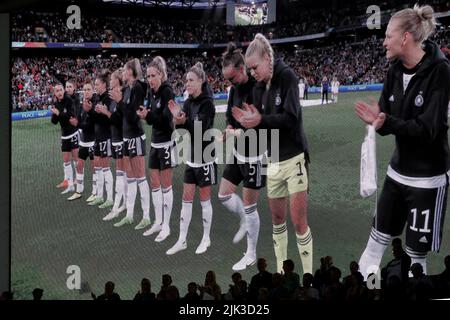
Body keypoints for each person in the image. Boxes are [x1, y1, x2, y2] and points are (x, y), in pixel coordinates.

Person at [355, 4, 450, 279]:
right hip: (396, 174)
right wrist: (377, 121)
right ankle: (363, 290)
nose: (383, 41)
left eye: (388, 35)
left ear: (405, 38)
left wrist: (387, 122)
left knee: (414, 256)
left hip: (427, 180)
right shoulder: (394, 69)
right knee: (375, 242)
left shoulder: (441, 70)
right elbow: (386, 118)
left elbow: (429, 128)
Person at [232, 33, 313, 276]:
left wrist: (260, 120)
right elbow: (262, 124)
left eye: (254, 67)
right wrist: (250, 124)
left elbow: (291, 118)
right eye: (249, 69)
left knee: (299, 223)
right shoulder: (257, 88)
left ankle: (308, 276)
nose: (252, 73)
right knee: (278, 221)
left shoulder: (287, 76)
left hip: (295, 157)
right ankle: (281, 274)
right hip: (273, 161)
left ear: (267, 58)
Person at [218, 42, 265, 271]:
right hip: (238, 151)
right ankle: (244, 221)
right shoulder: (234, 90)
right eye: (227, 79)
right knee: (224, 195)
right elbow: (229, 114)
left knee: (250, 207)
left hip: (256, 154)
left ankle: (251, 254)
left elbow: (259, 124)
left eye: (232, 78)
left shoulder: (258, 87)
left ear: (242, 68)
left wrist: (236, 131)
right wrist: (228, 128)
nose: (230, 83)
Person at [166, 62, 216, 255]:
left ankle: (206, 238)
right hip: (191, 157)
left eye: (191, 80)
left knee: (204, 201)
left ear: (201, 82)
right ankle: (182, 240)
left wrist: (184, 121)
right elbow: (184, 131)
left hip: (205, 157)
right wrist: (177, 119)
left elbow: (202, 130)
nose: (187, 83)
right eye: (186, 80)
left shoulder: (208, 104)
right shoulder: (187, 102)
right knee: (186, 199)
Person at [137, 56, 176, 242]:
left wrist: (149, 116)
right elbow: (152, 116)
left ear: (161, 74)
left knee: (166, 185)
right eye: (148, 76)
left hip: (167, 143)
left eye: (153, 75)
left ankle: (167, 226)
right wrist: (146, 114)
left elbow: (167, 122)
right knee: (154, 183)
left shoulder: (168, 92)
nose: (150, 79)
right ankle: (158, 221)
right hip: (154, 143)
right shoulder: (151, 92)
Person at [113, 59, 152, 230]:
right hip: (127, 137)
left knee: (140, 178)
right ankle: (129, 215)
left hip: (136, 136)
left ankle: (146, 216)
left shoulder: (137, 88)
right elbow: (124, 114)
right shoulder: (127, 88)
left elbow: (134, 116)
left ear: (131, 71)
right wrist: (120, 101)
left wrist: (121, 101)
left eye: (125, 69)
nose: (122, 72)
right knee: (130, 177)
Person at [98, 68, 127, 220]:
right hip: (116, 140)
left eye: (112, 80)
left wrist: (107, 113)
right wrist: (106, 112)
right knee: (123, 174)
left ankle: (116, 207)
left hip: (122, 140)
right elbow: (113, 119)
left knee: (121, 174)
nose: (110, 82)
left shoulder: (120, 96)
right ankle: (124, 204)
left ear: (118, 80)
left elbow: (121, 119)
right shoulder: (113, 97)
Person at [87, 71, 115, 210]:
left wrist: (94, 111)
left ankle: (109, 198)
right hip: (98, 137)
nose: (95, 87)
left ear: (104, 84)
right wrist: (90, 111)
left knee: (105, 168)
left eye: (97, 84)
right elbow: (95, 119)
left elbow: (108, 118)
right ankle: (100, 195)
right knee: (97, 167)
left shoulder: (108, 98)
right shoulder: (97, 98)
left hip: (105, 136)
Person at [67, 82, 97, 201]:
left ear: (93, 90)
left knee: (94, 168)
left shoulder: (94, 105)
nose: (86, 91)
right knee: (79, 166)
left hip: (93, 142)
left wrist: (77, 124)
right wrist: (74, 121)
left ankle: (95, 192)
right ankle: (79, 190)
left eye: (88, 89)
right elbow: (79, 121)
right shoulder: (81, 106)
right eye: (84, 89)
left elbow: (89, 126)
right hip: (83, 142)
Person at [50, 83, 79, 195]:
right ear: (55, 93)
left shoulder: (69, 101)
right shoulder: (56, 103)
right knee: (66, 161)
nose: (60, 92)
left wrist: (59, 113)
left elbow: (71, 116)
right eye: (57, 91)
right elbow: (54, 122)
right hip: (64, 135)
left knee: (77, 160)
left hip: (73, 133)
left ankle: (79, 182)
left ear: (63, 90)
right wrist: (54, 114)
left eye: (61, 90)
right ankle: (70, 185)